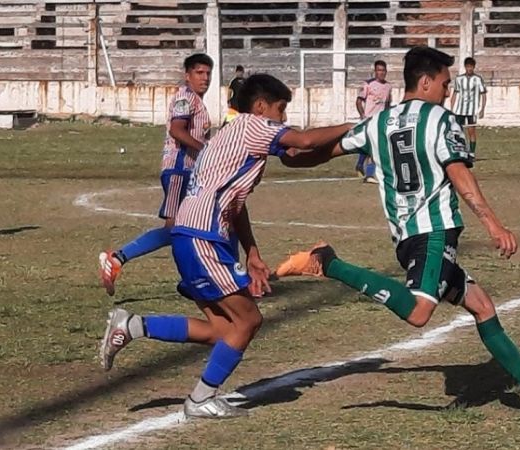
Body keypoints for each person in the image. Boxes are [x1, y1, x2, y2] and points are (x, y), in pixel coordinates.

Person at [274, 47, 520, 414]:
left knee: (481, 306)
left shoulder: (378, 123)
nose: (448, 91)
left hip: (407, 237)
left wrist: (286, 156)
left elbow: (320, 153)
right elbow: (458, 172)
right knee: (418, 312)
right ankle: (328, 262)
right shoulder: (442, 120)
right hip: (434, 232)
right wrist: (494, 224)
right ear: (426, 82)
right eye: (445, 84)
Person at [99, 74, 353, 419]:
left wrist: (252, 252)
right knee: (248, 321)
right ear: (261, 106)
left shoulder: (232, 135)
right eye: (280, 109)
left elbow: (277, 170)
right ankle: (200, 399)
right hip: (203, 237)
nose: (283, 118)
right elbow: (305, 141)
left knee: (222, 329)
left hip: (192, 235)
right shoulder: (252, 125)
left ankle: (133, 326)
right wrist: (354, 126)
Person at [99, 53, 213, 296]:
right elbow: (177, 130)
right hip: (179, 171)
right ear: (187, 75)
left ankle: (196, 279)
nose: (205, 78)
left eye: (208, 73)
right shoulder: (185, 98)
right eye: (199, 73)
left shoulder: (196, 101)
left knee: (187, 228)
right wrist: (206, 150)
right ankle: (118, 258)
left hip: (189, 172)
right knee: (175, 229)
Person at [355, 60, 392, 184]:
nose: (381, 73)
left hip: (380, 121)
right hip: (369, 120)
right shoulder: (368, 84)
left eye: (383, 70)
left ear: (386, 72)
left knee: (371, 146)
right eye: (379, 70)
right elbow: (359, 101)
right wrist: (363, 116)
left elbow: (387, 104)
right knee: (373, 147)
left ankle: (361, 165)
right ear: (375, 71)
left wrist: (387, 117)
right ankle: (369, 174)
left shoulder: (388, 86)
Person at [450, 57, 486, 155]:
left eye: (471, 67)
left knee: (471, 131)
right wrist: (452, 108)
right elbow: (455, 93)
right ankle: (459, 152)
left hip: (472, 110)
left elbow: (483, 94)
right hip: (460, 110)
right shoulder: (459, 79)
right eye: (468, 67)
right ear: (465, 67)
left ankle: (472, 153)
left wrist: (482, 109)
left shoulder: (478, 79)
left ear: (474, 67)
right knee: (457, 131)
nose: (469, 69)